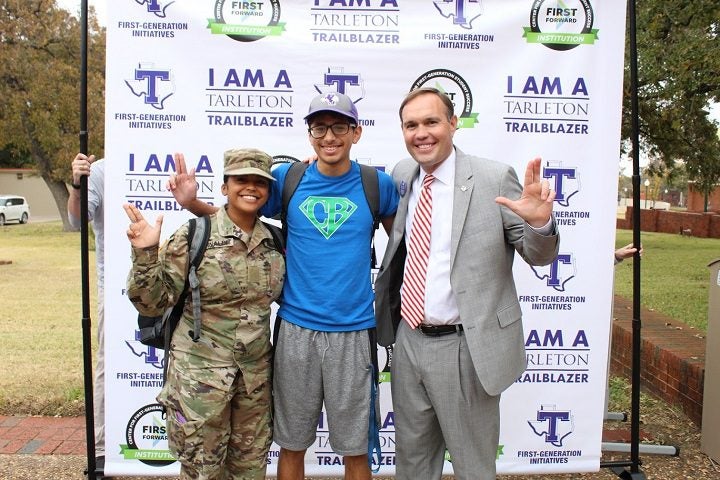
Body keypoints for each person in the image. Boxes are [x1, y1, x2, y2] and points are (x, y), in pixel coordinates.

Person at [168, 92, 400, 480]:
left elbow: (403, 251)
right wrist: (194, 205)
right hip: (296, 330)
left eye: (339, 126)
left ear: (356, 133)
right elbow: (237, 218)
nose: (329, 136)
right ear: (309, 133)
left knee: (355, 447)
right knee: (291, 444)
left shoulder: (378, 185)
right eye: (319, 127)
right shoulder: (287, 181)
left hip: (354, 330)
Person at [374, 87, 560, 479]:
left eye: (431, 121)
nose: (420, 133)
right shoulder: (402, 174)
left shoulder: (494, 177)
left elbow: (538, 255)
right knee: (411, 464)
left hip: (466, 348)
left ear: (453, 123)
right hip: (409, 344)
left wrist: (539, 222)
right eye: (411, 125)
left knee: (474, 467)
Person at [125, 148, 285, 479]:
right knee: (201, 472)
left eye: (260, 182)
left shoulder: (275, 241)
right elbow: (153, 302)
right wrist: (145, 254)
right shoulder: (195, 235)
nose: (251, 188)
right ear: (225, 187)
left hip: (253, 385)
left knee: (249, 472)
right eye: (241, 180)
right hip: (199, 384)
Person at [67, 153, 106, 472]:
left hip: (182, 285)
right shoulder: (102, 170)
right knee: (111, 363)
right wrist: (77, 187)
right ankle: (105, 447)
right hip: (119, 288)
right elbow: (77, 221)